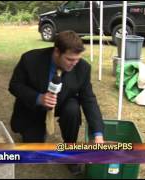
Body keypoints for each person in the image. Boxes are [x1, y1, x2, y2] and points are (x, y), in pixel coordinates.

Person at [8, 30, 104, 175]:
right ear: (57, 52)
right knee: (34, 147)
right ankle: (37, 130)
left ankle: (69, 149)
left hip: (63, 104)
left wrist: (98, 134)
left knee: (72, 108)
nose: (74, 64)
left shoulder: (83, 68)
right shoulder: (30, 59)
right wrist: (38, 98)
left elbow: (88, 99)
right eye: (70, 59)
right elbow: (14, 85)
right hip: (34, 108)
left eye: (77, 59)